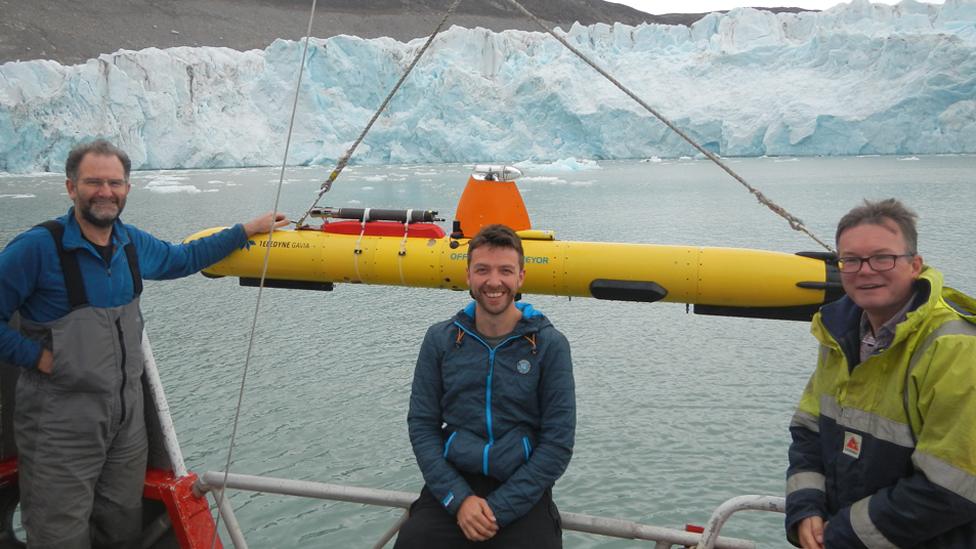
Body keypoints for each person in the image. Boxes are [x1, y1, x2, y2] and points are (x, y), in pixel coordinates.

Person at [0, 139, 288, 549]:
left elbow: (182, 258)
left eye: (115, 182)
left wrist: (245, 231)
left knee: (120, 524)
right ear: (70, 188)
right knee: (58, 533)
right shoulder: (38, 249)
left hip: (125, 421)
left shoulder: (129, 243)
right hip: (59, 421)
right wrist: (41, 358)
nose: (105, 192)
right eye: (93, 182)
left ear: (127, 189)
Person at [785, 198, 976, 548]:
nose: (866, 270)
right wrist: (806, 506)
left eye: (883, 258)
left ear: (915, 265)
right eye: (852, 260)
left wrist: (842, 534)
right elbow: (808, 432)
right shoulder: (837, 335)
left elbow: (955, 486)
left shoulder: (955, 348)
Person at [395, 224, 575, 548]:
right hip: (454, 484)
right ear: (468, 276)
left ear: (520, 277)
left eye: (505, 270)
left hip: (521, 487)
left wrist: (500, 509)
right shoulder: (441, 340)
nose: (494, 282)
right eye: (483, 270)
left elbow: (557, 442)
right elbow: (422, 425)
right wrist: (459, 500)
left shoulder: (550, 345)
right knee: (413, 540)